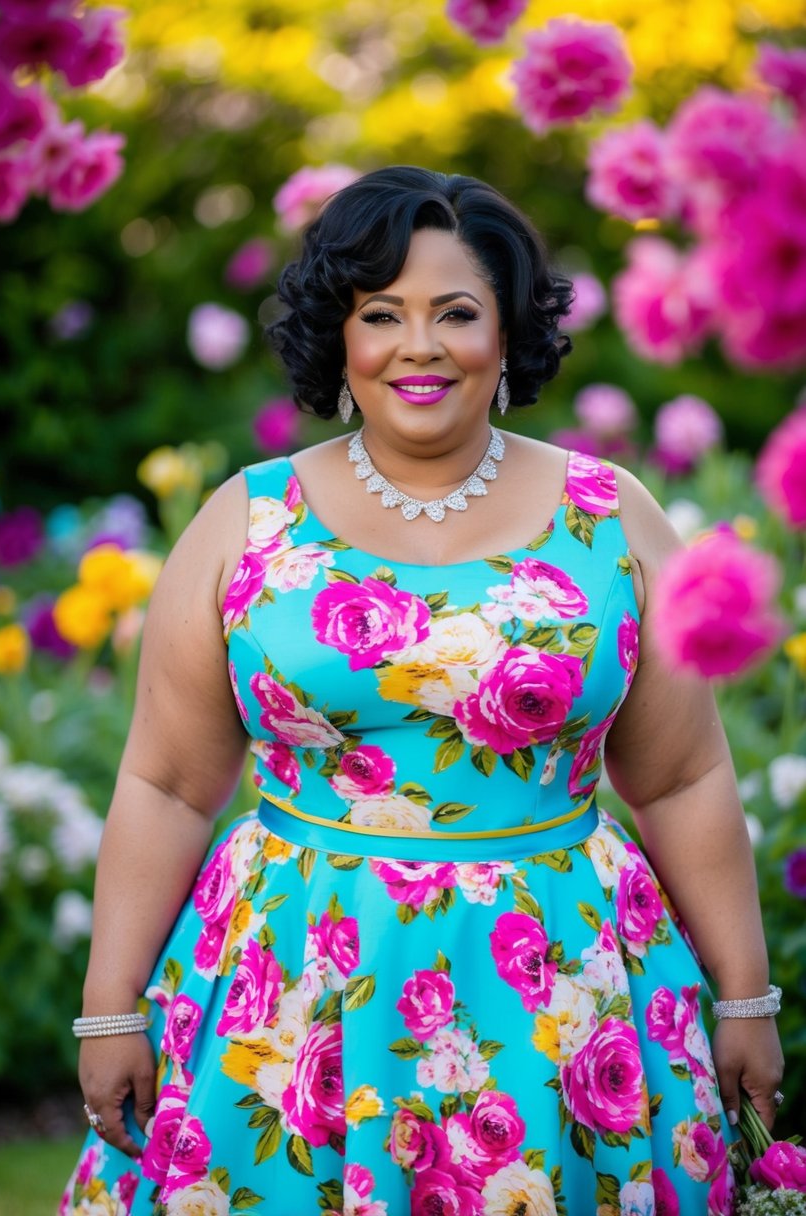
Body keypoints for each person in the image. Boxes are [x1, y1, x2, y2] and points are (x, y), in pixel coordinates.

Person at [60, 166, 783, 1216]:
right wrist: (108, 1009)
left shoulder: (609, 516)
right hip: (292, 984)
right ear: (340, 338)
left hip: (560, 986)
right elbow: (168, 784)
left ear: (508, 332)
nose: (420, 344)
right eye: (382, 313)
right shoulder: (246, 520)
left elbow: (679, 777)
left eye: (456, 311)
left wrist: (745, 997)